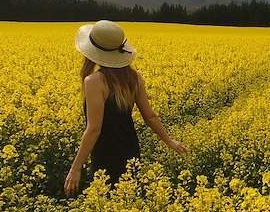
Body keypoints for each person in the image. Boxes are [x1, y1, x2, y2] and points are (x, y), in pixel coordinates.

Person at [64, 20, 187, 197]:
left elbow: (94, 129)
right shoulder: (134, 78)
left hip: (105, 152)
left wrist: (75, 169)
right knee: (129, 200)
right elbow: (150, 116)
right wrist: (169, 141)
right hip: (130, 149)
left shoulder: (94, 82)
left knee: (107, 201)